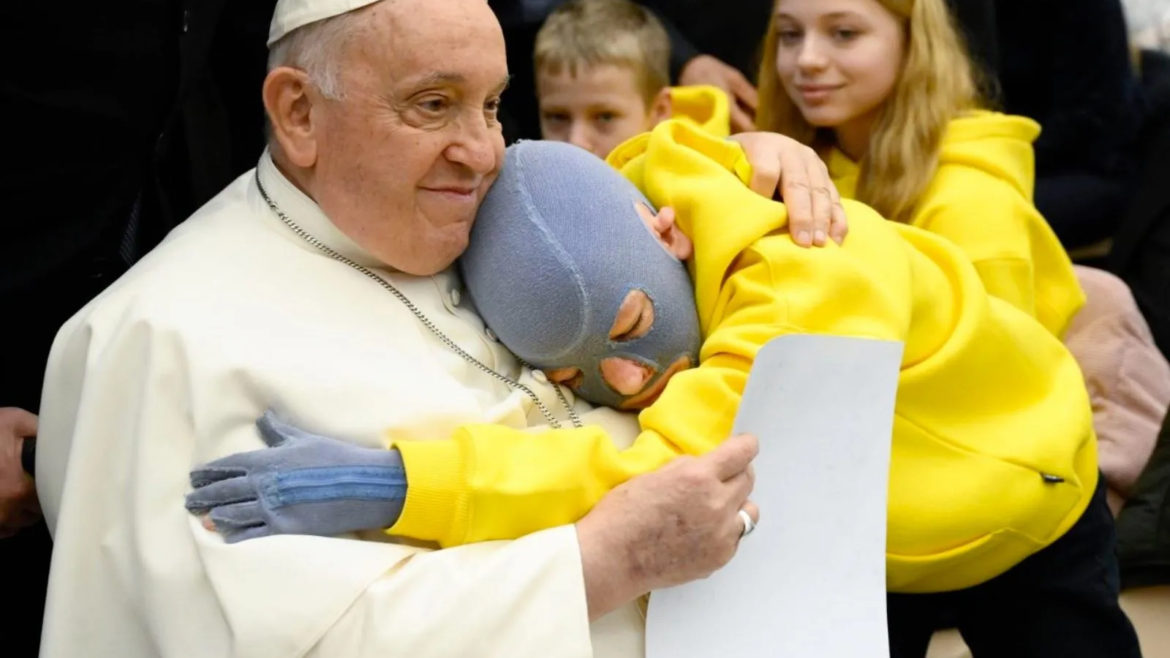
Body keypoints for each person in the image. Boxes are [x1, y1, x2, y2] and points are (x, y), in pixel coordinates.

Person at [32, 0, 849, 655]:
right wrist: (603, 563)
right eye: (433, 105)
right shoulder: (158, 342)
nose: (484, 152)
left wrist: (749, 176)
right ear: (298, 114)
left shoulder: (482, 221)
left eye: (493, 105)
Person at [190, 122, 1140, 658]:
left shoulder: (808, 277)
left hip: (1027, 507)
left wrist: (400, 484)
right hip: (866, 536)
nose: (632, 382)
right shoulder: (663, 223)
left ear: (670, 234)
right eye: (580, 376)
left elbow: (649, 463)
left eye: (635, 330)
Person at [756, 0, 1085, 339]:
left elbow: (997, 366)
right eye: (790, 34)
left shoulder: (972, 201)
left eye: (844, 33)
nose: (808, 59)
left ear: (914, 41)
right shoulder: (789, 158)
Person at [534, 0, 732, 159]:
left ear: (660, 111)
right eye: (557, 117)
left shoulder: (704, 185)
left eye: (605, 116)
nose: (576, 143)